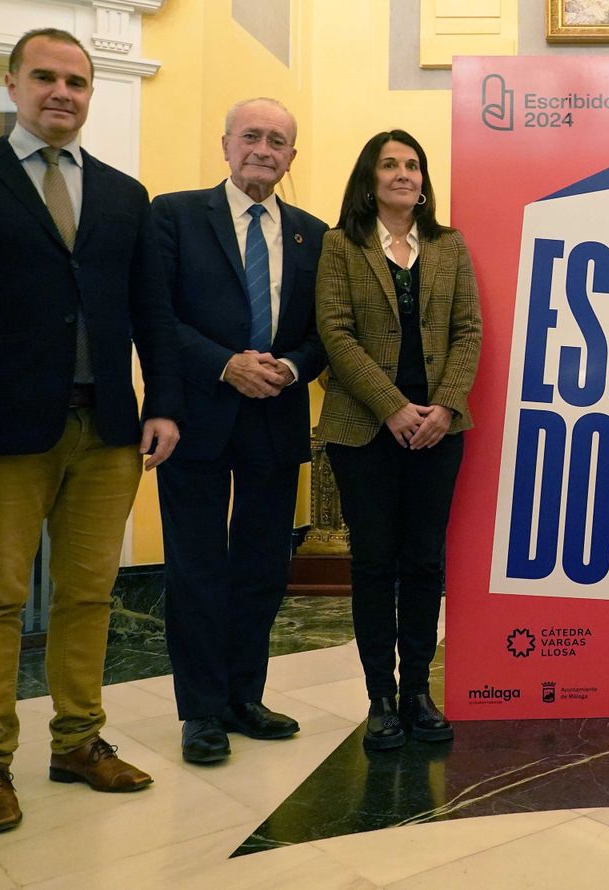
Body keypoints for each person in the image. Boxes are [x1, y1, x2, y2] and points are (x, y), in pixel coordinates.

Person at [0, 28, 182, 833]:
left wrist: (163, 404)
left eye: (78, 81)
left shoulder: (126, 194)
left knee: (89, 594)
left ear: (91, 94)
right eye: (46, 78)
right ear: (14, 84)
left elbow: (151, 315)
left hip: (110, 432)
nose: (63, 92)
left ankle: (78, 742)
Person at [150, 98, 328, 764]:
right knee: (195, 569)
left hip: (276, 419)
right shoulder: (174, 215)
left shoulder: (316, 234)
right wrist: (225, 365)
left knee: (261, 568)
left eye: (277, 140)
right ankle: (199, 712)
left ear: (291, 158)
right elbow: (156, 316)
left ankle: (243, 697)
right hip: (196, 417)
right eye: (251, 136)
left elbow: (323, 335)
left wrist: (290, 365)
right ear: (225, 143)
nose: (263, 148)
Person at [315, 129, 481, 750]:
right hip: (366, 431)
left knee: (424, 562)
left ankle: (417, 691)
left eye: (412, 165)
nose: (403, 174)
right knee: (374, 561)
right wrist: (392, 408)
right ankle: (379, 699)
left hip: (439, 431)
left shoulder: (448, 246)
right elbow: (335, 334)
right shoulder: (341, 246)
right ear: (370, 178)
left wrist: (444, 407)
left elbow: (468, 331)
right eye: (390, 165)